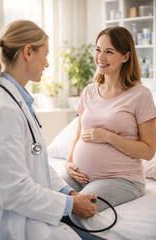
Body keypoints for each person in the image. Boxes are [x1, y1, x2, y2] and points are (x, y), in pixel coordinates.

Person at [0, 20, 104, 240]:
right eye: (45, 54)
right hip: (19, 224)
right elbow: (13, 191)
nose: (47, 63)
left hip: (38, 214)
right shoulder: (4, 109)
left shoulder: (17, 102)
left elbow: (36, 163)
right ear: (28, 52)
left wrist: (69, 192)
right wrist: (70, 204)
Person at [62, 26, 156, 212]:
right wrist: (68, 163)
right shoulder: (89, 90)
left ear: (125, 57)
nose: (100, 57)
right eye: (98, 50)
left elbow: (148, 151)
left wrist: (109, 137)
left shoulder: (140, 95)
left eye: (109, 52)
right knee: (46, 197)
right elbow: (78, 136)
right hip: (79, 176)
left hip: (122, 179)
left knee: (81, 208)